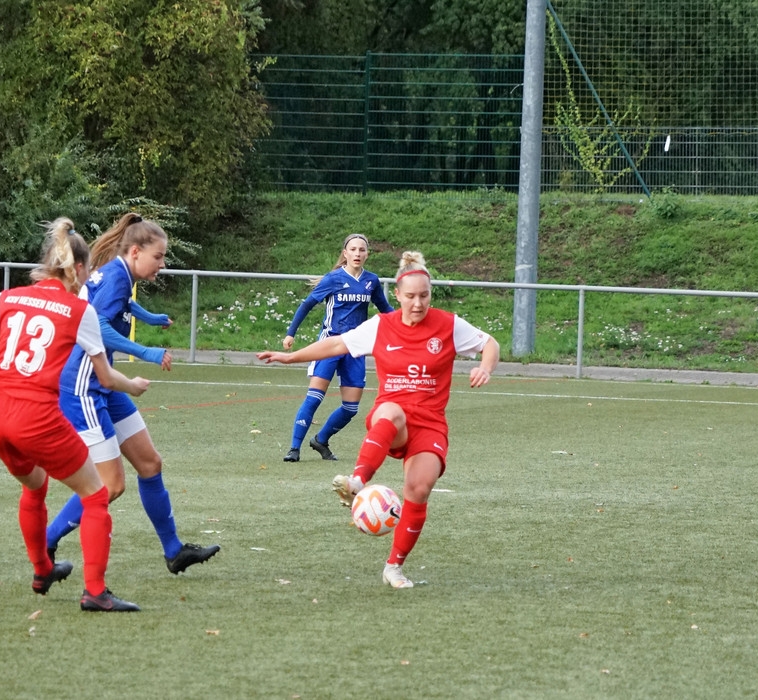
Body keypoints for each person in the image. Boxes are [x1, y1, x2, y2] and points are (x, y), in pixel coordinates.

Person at [257, 251, 499, 588]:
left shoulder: (448, 325)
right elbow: (336, 345)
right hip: (392, 418)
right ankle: (357, 482)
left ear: (431, 294)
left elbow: (490, 343)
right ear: (397, 295)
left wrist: (485, 367)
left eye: (424, 296)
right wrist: (290, 357)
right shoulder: (381, 326)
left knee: (419, 488)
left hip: (429, 423)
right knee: (391, 411)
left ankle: (394, 567)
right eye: (411, 296)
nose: (418, 303)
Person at [0, 218, 146, 612]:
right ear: (78, 268)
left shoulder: (9, 296)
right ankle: (95, 591)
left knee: (35, 485)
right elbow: (105, 376)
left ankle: (42, 570)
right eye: (87, 269)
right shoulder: (79, 309)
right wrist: (131, 385)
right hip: (37, 417)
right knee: (96, 494)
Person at [49, 212, 220, 574]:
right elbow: (98, 327)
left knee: (149, 464)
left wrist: (151, 318)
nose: (163, 264)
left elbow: (121, 306)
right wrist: (146, 352)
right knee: (109, 485)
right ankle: (45, 541)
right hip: (83, 388)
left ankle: (174, 551)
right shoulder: (116, 278)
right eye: (158, 256)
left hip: (104, 383)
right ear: (136, 252)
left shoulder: (119, 274)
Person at [279, 233, 393, 463]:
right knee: (314, 397)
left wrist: (410, 326)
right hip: (329, 344)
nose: (357, 253)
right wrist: (291, 333)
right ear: (345, 253)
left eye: (362, 250)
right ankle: (294, 449)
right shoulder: (333, 279)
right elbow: (307, 304)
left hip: (355, 347)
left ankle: (321, 440)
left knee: (351, 408)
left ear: (367, 254)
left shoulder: (371, 281)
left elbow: (387, 311)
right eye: (353, 249)